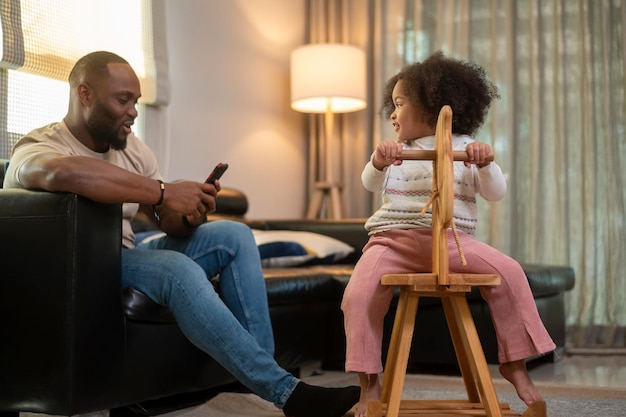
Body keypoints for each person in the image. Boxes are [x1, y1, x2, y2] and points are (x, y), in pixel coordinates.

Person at [3, 50, 359, 417]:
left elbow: (164, 222)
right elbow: (61, 175)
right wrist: (163, 191)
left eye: (137, 101)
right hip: (82, 266)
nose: (134, 112)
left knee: (234, 236)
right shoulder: (41, 145)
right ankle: (287, 392)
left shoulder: (133, 151)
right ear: (85, 94)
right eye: (123, 100)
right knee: (176, 269)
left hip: (130, 250)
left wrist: (188, 216)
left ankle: (263, 381)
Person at [341, 51, 553, 417]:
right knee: (358, 295)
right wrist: (378, 160)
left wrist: (486, 163)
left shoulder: (466, 147)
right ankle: (368, 381)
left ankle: (514, 364)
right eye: (392, 105)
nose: (392, 113)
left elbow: (495, 192)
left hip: (455, 244)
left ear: (430, 106)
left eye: (400, 103)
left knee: (510, 273)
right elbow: (369, 181)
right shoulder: (397, 152)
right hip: (392, 241)